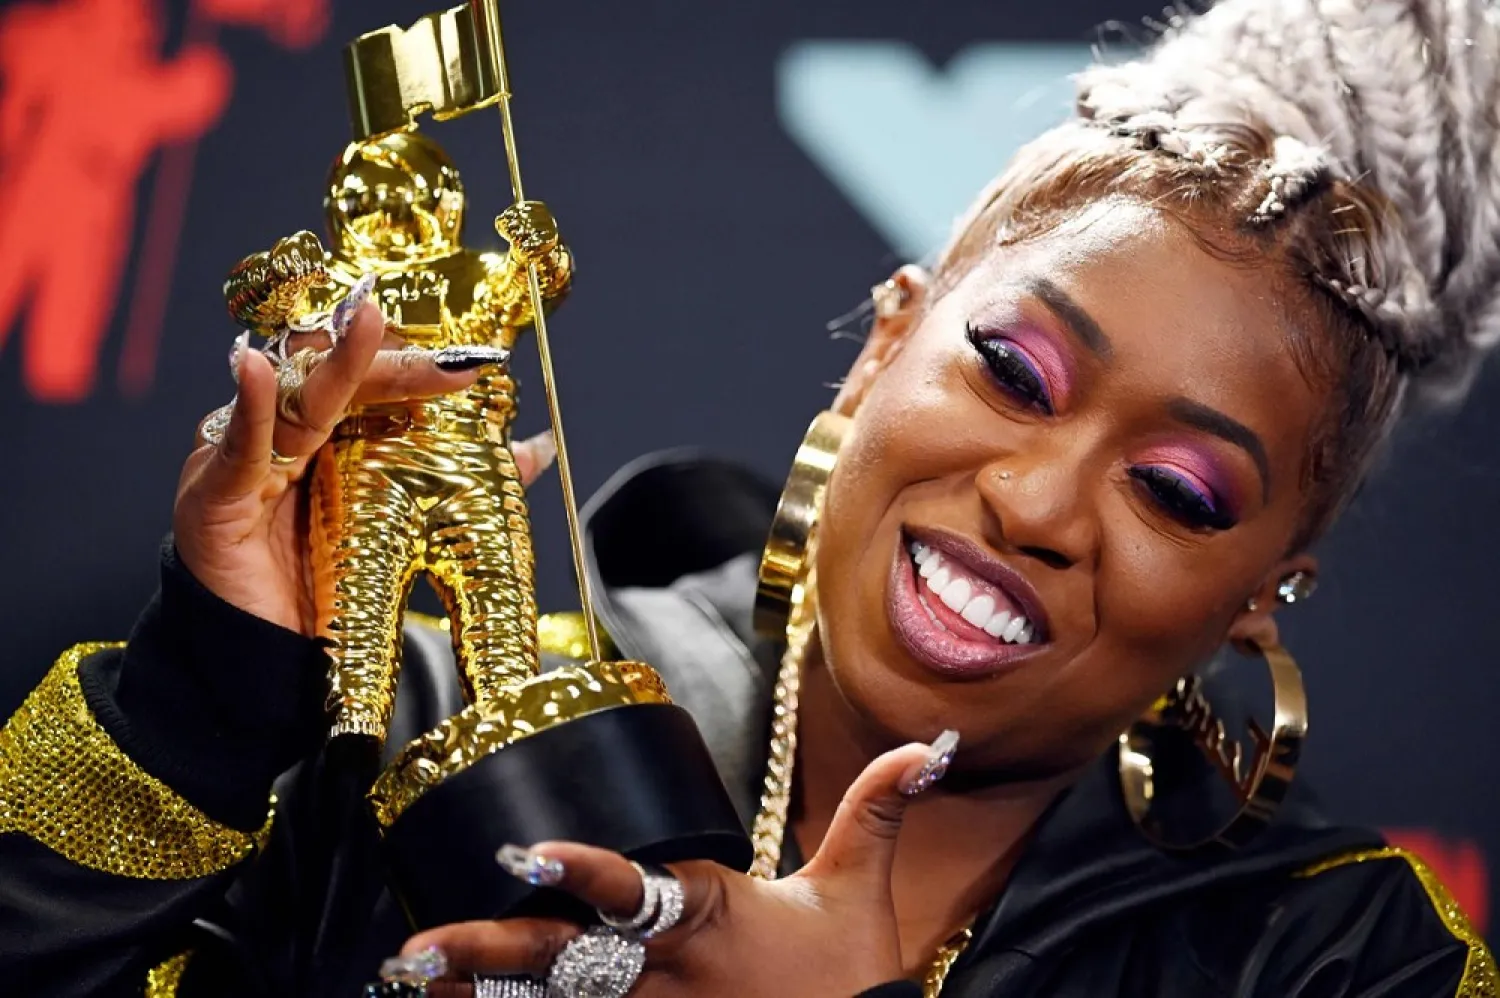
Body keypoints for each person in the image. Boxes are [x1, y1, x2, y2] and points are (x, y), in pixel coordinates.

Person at [1, 0, 1496, 995]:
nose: (1039, 497)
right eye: (1016, 373)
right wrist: (195, 705)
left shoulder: (1330, 955)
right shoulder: (411, 733)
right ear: (888, 337)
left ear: (1259, 588)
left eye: (1175, 489)